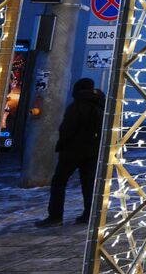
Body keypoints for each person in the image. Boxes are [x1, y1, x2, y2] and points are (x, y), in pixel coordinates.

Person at [36, 77, 106, 227]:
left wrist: (62, 144)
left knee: (59, 182)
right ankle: (89, 214)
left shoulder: (76, 107)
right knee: (89, 183)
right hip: (93, 150)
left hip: (73, 150)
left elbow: (67, 129)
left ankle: (55, 216)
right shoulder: (101, 106)